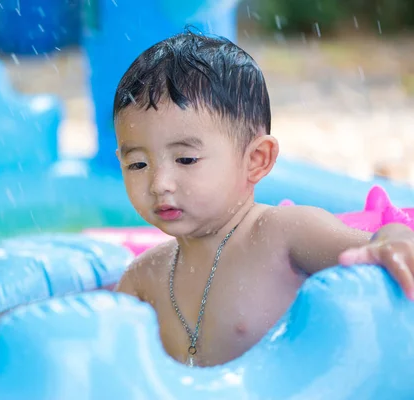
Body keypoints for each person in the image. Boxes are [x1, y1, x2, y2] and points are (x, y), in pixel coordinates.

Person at [113, 29, 414, 368]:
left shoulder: (285, 235)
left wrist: (397, 240)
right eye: (137, 164)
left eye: (185, 159)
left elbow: (375, 243)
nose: (159, 183)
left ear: (256, 159)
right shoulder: (143, 278)